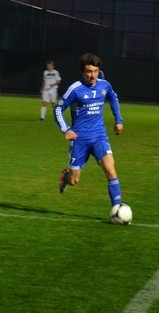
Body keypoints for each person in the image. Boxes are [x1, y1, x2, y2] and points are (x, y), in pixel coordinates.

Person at [54, 53, 125, 208]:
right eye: (89, 72)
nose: (93, 75)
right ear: (82, 72)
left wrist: (118, 120)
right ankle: (65, 177)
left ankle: (117, 208)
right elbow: (58, 109)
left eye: (95, 71)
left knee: (110, 170)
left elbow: (113, 98)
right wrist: (66, 129)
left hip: (99, 136)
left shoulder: (104, 85)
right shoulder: (75, 89)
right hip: (79, 140)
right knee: (74, 180)